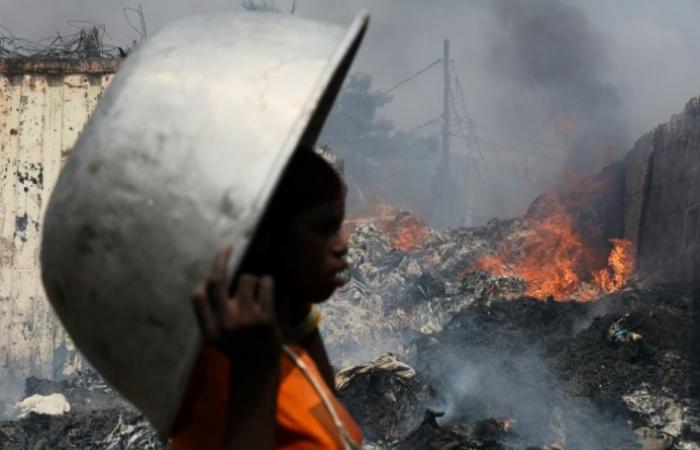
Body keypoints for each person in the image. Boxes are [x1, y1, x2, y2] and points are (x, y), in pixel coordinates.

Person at [170, 150, 363, 450]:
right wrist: (254, 373)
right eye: (323, 228)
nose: (342, 245)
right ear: (265, 239)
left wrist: (297, 309)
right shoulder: (224, 375)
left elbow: (337, 431)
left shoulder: (281, 349)